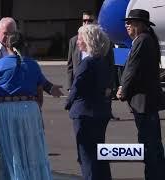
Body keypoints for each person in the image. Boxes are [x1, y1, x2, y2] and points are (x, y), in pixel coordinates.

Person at [0, 17, 62, 180]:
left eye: (10, 34)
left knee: (9, 148)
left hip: (4, 111)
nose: (7, 37)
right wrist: (36, 110)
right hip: (29, 111)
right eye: (5, 33)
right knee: (26, 149)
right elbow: (38, 90)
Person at [0, 32, 53, 180]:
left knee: (12, 151)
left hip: (7, 111)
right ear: (24, 45)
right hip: (30, 110)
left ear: (7, 46)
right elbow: (39, 96)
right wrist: (36, 112)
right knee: (30, 150)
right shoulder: (33, 65)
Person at [117, 9, 165, 180]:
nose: (127, 25)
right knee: (154, 145)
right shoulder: (146, 39)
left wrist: (122, 89)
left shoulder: (142, 40)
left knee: (149, 146)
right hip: (147, 102)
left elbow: (131, 69)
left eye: (130, 22)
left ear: (141, 25)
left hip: (143, 103)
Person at [65, 24, 112, 180]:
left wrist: (68, 103)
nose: (77, 42)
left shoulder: (87, 63)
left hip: (85, 114)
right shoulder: (103, 61)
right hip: (101, 112)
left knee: (86, 158)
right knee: (101, 155)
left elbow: (77, 86)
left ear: (88, 40)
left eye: (80, 39)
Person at [67, 11, 120, 121]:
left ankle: (106, 113)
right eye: (84, 20)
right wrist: (70, 86)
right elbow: (70, 65)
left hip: (98, 83)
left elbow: (111, 65)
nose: (86, 23)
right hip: (81, 82)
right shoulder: (74, 41)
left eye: (89, 20)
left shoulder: (105, 41)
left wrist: (110, 86)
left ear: (96, 22)